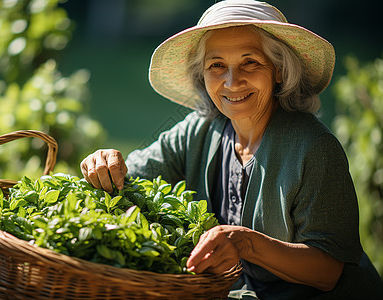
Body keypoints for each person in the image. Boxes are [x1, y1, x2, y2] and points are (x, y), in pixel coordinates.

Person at [81, 0, 383, 298]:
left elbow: (327, 273)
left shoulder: (314, 148)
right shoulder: (199, 130)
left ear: (278, 69)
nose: (231, 81)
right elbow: (130, 176)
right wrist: (106, 162)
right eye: (217, 65)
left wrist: (246, 243)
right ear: (203, 74)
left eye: (250, 62)